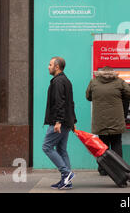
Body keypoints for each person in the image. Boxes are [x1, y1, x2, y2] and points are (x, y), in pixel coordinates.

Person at [86, 65, 130, 175]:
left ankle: (103, 170)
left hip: (100, 119)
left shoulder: (93, 82)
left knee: (102, 145)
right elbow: (129, 92)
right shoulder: (119, 82)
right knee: (116, 143)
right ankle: (119, 168)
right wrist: (121, 99)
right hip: (116, 119)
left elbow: (88, 97)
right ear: (113, 73)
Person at [42, 56, 77, 190]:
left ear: (57, 67)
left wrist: (58, 121)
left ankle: (67, 173)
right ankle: (66, 181)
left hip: (60, 122)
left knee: (47, 147)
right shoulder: (66, 80)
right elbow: (71, 103)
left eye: (50, 64)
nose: (48, 67)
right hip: (67, 121)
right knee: (61, 149)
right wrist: (73, 121)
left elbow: (60, 103)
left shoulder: (57, 82)